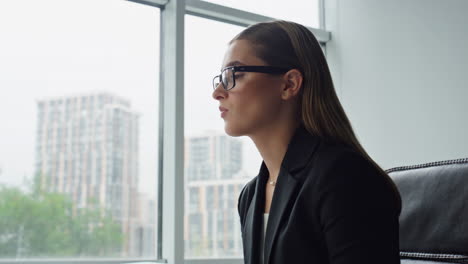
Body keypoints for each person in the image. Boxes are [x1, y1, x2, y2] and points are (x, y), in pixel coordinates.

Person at [211, 20, 402, 264]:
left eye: (233, 74)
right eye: (220, 77)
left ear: (289, 84)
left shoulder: (345, 178)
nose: (217, 92)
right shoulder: (250, 195)